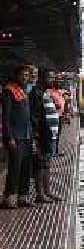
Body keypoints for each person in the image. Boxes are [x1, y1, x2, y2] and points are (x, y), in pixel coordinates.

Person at [2, 65, 36, 208]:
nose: (25, 77)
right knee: (15, 167)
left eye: (27, 75)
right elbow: (6, 117)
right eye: (22, 75)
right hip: (16, 136)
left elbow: (27, 117)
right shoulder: (8, 91)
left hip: (26, 135)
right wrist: (9, 137)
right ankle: (9, 197)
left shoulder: (23, 91)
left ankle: (23, 196)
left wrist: (32, 138)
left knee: (26, 167)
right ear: (16, 75)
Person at [28, 67, 61, 202]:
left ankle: (47, 191)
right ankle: (40, 194)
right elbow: (35, 115)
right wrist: (36, 135)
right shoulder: (36, 92)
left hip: (50, 134)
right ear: (41, 78)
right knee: (40, 165)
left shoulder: (44, 92)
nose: (52, 80)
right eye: (49, 77)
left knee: (47, 163)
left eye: (53, 77)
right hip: (42, 135)